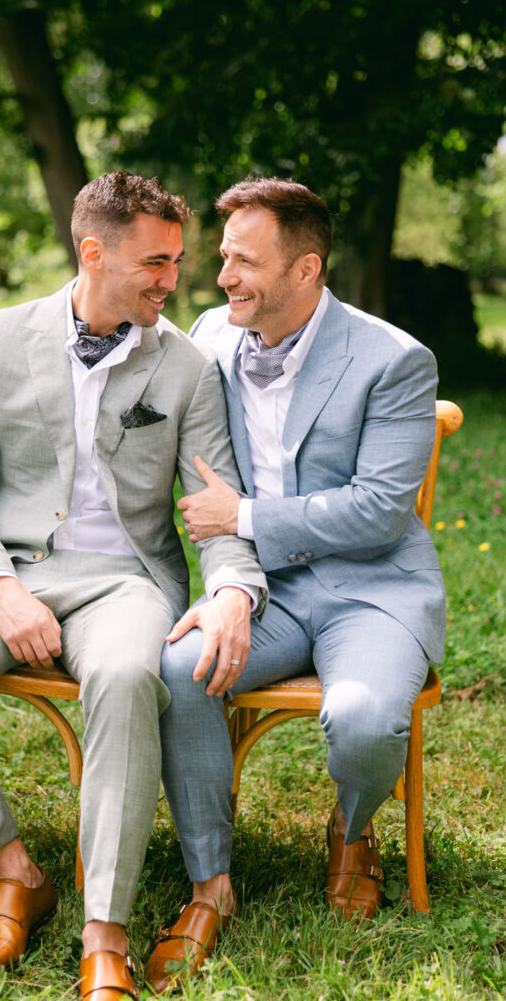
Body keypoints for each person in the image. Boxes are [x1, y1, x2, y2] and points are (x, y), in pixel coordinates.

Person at [0, 171, 266, 1000]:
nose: (171, 279)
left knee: (123, 675)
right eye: (155, 262)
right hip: (7, 569)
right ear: (93, 252)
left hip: (126, 583)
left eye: (178, 261)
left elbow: (216, 509)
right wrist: (3, 588)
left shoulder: (186, 367)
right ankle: (14, 870)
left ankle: (103, 928)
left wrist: (230, 590)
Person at [144, 177, 443, 992]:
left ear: (306, 269)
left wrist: (243, 516)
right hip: (259, 589)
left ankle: (351, 829)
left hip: (370, 588)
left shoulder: (394, 359)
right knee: (181, 669)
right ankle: (210, 881)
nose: (225, 276)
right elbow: (121, 347)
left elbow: (382, 512)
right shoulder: (209, 334)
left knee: (367, 721)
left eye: (245, 260)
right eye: (225, 258)